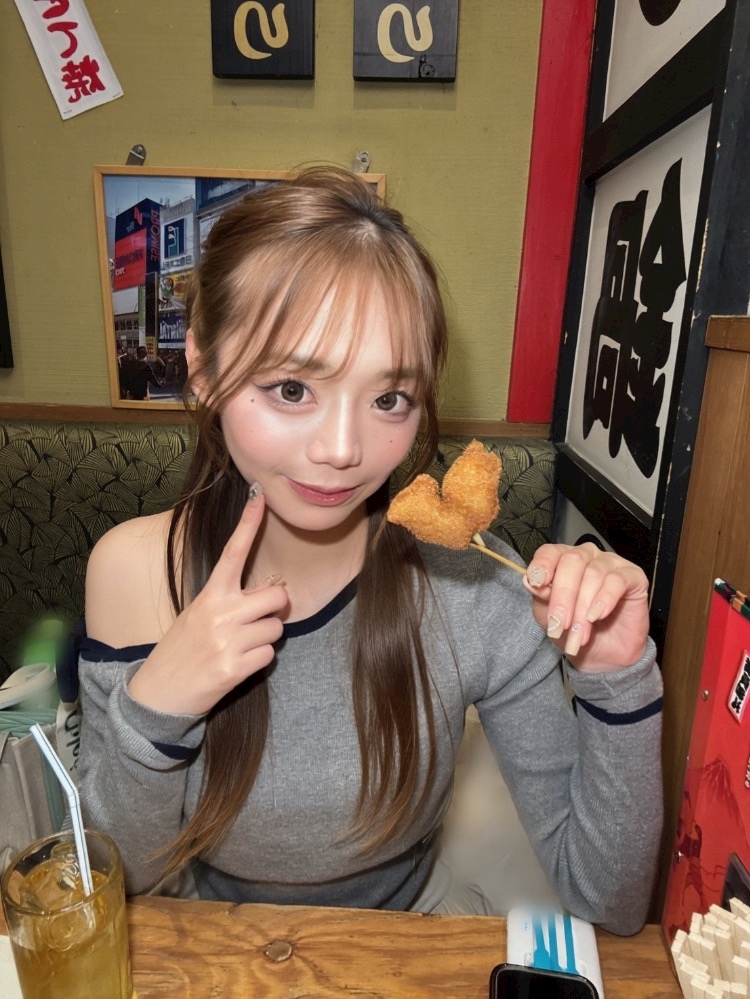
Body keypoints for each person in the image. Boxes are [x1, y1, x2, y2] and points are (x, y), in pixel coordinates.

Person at [78, 166, 663, 935]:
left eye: (389, 398)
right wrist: (158, 704)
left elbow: (608, 903)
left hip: (409, 938)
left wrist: (618, 676)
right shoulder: (132, 572)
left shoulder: (473, 581)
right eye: (292, 389)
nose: (344, 450)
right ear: (205, 368)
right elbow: (111, 882)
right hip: (211, 941)